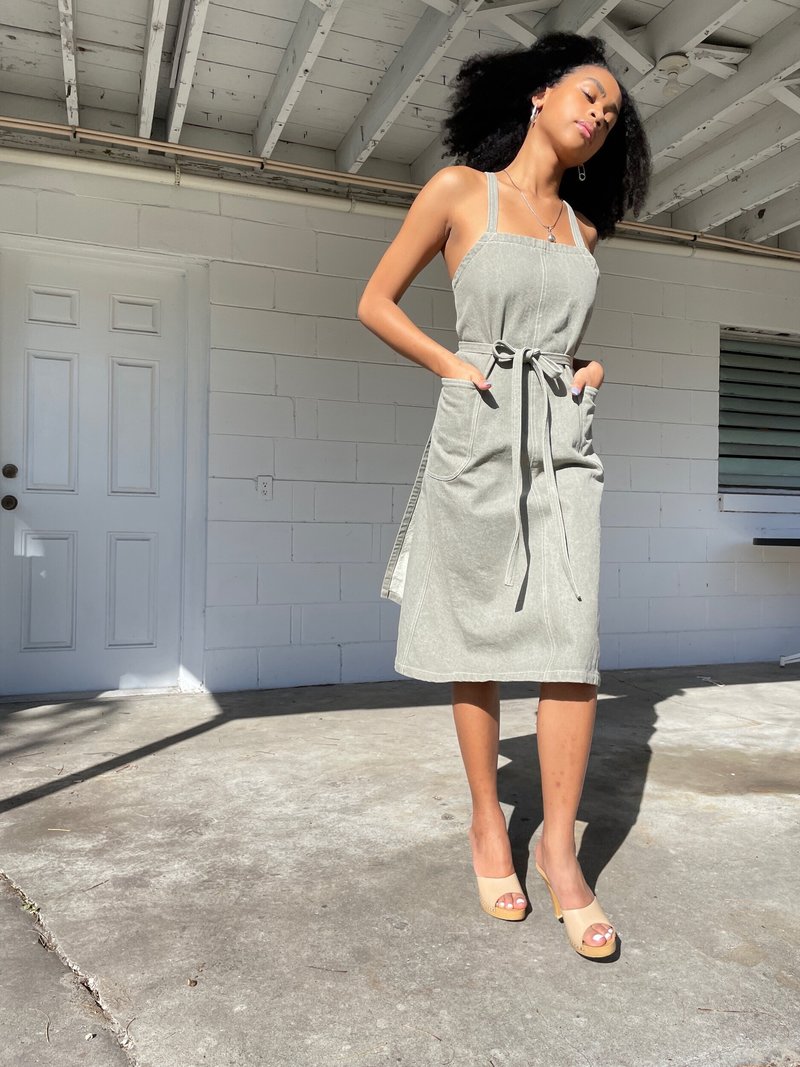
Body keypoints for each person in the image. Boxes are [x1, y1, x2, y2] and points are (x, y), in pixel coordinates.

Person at [357, 32, 651, 959]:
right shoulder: (459, 191)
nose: (599, 114)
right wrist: (452, 364)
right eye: (590, 94)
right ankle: (489, 821)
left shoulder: (583, 231)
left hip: (562, 442)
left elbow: (561, 338)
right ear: (539, 94)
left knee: (572, 641)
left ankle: (560, 852)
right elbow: (376, 301)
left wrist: (587, 368)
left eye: (612, 112)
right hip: (478, 427)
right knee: (475, 629)